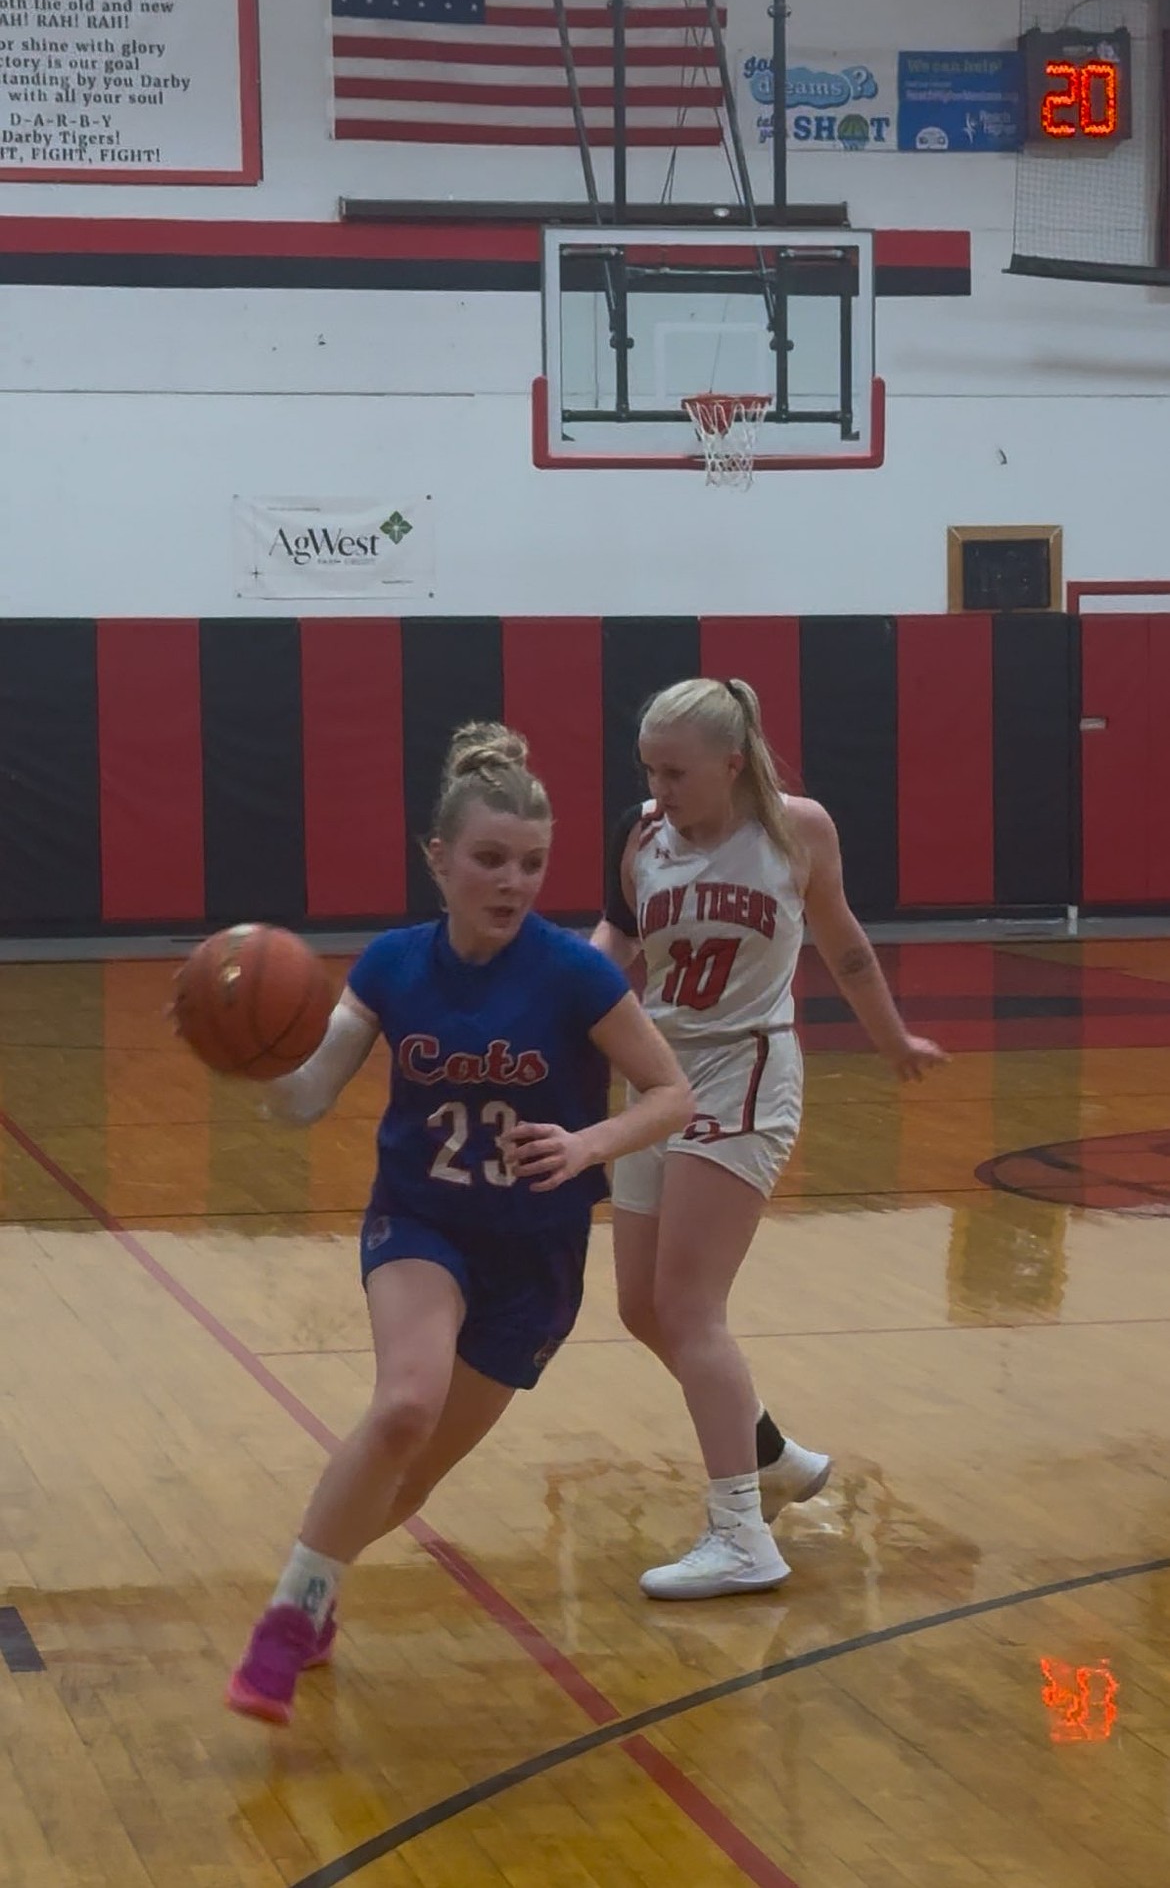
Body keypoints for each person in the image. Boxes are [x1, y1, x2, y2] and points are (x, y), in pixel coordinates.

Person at [226, 722, 693, 1724]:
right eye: (489, 859)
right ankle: (286, 1616)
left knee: (410, 1476)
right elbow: (310, 1096)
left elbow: (670, 1094)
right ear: (437, 859)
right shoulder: (392, 965)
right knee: (403, 1406)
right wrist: (254, 1064)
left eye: (532, 862)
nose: (513, 880)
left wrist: (588, 1144)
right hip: (421, 1224)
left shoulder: (575, 973)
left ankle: (323, 1584)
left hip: (536, 1256)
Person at [591, 677, 947, 1601]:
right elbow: (614, 947)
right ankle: (776, 1458)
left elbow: (844, 941)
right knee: (639, 1304)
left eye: (675, 771)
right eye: (648, 769)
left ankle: (741, 1531)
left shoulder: (798, 829)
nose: (658, 787)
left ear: (732, 764)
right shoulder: (642, 838)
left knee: (689, 1306)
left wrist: (892, 1038)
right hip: (657, 1078)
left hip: (745, 1074)